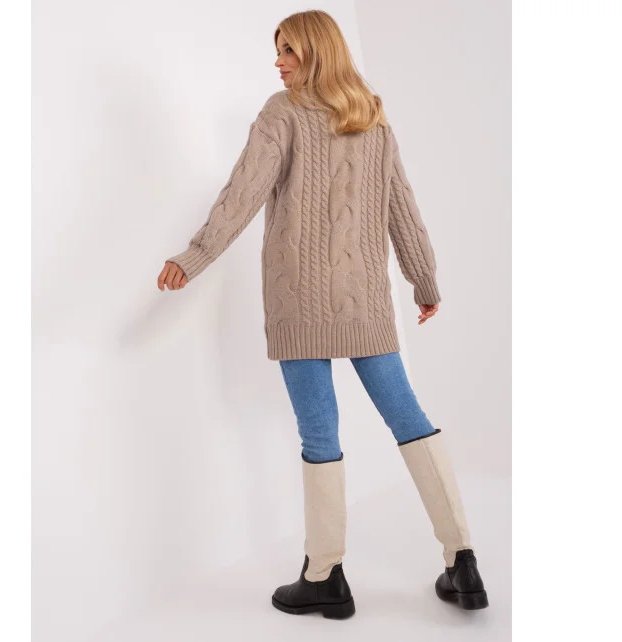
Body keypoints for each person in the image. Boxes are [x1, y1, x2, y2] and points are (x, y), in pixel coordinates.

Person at [158, 9, 489, 619]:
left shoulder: (282, 113)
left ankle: (325, 576)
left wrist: (194, 255)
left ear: (319, 51)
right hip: (365, 304)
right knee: (409, 419)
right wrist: (423, 278)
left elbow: (242, 194)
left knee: (320, 434)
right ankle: (463, 562)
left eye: (290, 50)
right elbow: (403, 207)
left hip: (300, 304)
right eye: (278, 50)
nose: (279, 62)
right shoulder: (372, 115)